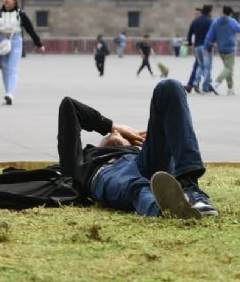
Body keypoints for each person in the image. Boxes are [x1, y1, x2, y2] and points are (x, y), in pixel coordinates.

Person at [57, 79, 217, 219]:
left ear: (133, 144)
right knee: (135, 187)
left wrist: (142, 143)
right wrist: (110, 126)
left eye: (120, 135)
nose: (116, 134)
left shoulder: (139, 153)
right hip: (105, 173)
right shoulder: (82, 161)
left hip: (144, 163)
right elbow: (69, 106)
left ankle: (191, 190)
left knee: (169, 87)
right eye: (110, 135)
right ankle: (169, 208)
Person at [0, 0, 45, 106]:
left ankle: (10, 94)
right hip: (1, 41)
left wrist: (39, 44)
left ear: (14, 0)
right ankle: (7, 93)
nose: (6, 0)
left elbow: (30, 29)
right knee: (4, 69)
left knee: (12, 68)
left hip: (15, 41)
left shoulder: (20, 14)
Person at [203, 6, 240, 96]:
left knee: (228, 68)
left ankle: (230, 89)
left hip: (220, 49)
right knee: (229, 68)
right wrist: (237, 21)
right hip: (230, 48)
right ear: (230, 13)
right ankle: (216, 83)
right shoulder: (232, 21)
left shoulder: (215, 22)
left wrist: (206, 47)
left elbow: (209, 36)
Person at [185, 5, 214, 94]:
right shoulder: (210, 21)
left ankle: (195, 82)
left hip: (197, 46)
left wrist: (189, 44)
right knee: (207, 67)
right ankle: (205, 86)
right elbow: (213, 34)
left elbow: (189, 34)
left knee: (200, 66)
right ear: (209, 12)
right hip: (206, 47)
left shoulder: (195, 21)